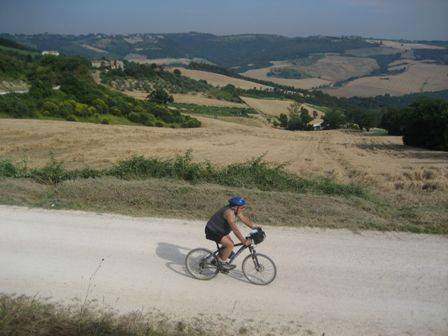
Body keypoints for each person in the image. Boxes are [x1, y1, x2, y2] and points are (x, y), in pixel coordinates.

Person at [205, 196, 258, 271]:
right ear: (235, 207)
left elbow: (243, 218)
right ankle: (220, 263)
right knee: (230, 245)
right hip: (212, 231)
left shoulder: (236, 210)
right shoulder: (229, 213)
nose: (243, 208)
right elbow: (235, 229)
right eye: (242, 207)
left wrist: (255, 226)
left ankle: (216, 259)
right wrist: (243, 241)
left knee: (228, 247)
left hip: (220, 230)